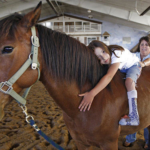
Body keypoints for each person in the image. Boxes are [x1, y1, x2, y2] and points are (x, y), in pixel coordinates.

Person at [78, 40, 149, 126]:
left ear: (105, 47)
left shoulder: (116, 53)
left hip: (134, 65)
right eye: (99, 58)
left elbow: (109, 76)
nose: (104, 57)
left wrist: (92, 93)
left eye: (103, 52)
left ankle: (134, 117)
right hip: (123, 67)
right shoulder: (109, 57)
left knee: (129, 81)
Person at [124, 36, 150, 149]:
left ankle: (148, 141)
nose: (144, 46)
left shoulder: (147, 58)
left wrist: (142, 64)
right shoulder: (135, 56)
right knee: (132, 111)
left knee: (147, 115)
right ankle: (130, 138)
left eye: (146, 44)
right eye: (142, 44)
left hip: (147, 90)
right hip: (135, 88)